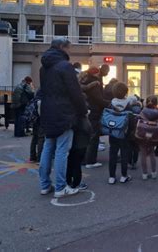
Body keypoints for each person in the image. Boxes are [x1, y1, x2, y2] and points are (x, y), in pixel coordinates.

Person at [38, 38, 88, 198]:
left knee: (48, 148)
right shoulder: (65, 66)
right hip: (64, 113)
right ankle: (60, 187)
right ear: (62, 47)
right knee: (62, 151)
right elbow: (75, 92)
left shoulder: (43, 67)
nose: (70, 51)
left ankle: (45, 185)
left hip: (47, 112)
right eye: (69, 48)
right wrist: (83, 111)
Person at [106, 82, 136, 184]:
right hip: (124, 133)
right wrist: (132, 131)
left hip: (113, 131)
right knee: (124, 154)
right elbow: (132, 120)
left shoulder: (111, 103)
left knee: (113, 154)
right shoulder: (128, 104)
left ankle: (111, 177)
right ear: (125, 92)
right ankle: (124, 175)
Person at [81, 66, 110, 168]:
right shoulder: (95, 83)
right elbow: (98, 99)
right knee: (93, 136)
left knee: (86, 136)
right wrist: (110, 104)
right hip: (94, 110)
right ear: (96, 73)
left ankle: (84, 159)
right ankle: (90, 161)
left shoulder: (85, 80)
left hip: (86, 109)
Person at [137, 96, 158, 180]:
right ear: (156, 103)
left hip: (143, 135)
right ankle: (154, 172)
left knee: (143, 154)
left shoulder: (142, 111)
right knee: (152, 153)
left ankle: (144, 174)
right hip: (153, 135)